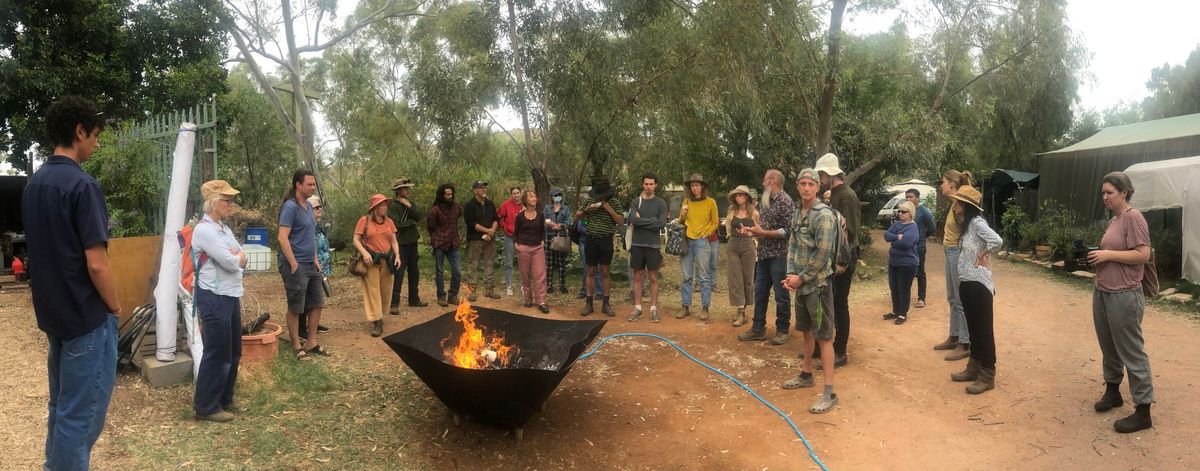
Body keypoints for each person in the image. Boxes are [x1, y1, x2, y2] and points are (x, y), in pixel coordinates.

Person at [22, 96, 119, 469]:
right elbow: (97, 264)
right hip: (86, 319)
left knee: (61, 408)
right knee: (80, 420)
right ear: (79, 132)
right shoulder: (83, 186)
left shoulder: (35, 185)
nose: (96, 143)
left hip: (54, 318)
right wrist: (114, 306)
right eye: (94, 135)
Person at [1088, 172, 1155, 433]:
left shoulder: (1133, 217)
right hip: (1104, 291)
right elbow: (1116, 253)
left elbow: (1143, 254)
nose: (1104, 197)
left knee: (1131, 350)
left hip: (1125, 295)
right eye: (1103, 193)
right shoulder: (1115, 220)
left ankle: (1143, 410)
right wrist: (1099, 258)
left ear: (1124, 192)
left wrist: (1106, 254)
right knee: (1109, 346)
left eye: (1109, 192)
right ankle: (1113, 391)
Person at [780, 168, 839, 414]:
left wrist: (800, 278)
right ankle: (806, 374)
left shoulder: (823, 215)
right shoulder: (797, 212)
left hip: (818, 285)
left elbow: (823, 254)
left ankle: (829, 392)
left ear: (817, 187)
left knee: (824, 336)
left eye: (810, 184)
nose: (806, 188)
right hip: (801, 283)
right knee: (806, 331)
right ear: (797, 186)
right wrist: (790, 275)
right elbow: (793, 244)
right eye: (802, 184)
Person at [191, 180, 248, 422]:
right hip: (214, 296)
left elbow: (240, 252)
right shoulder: (204, 230)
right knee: (217, 352)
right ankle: (206, 406)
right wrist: (237, 258)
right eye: (227, 200)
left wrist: (238, 256)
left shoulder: (222, 228)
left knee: (233, 351)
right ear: (213, 203)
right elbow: (231, 260)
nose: (231, 204)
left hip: (230, 294)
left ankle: (225, 399)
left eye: (232, 200)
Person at [947, 185, 1002, 395]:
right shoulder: (968, 226)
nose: (954, 205)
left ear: (965, 205)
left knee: (983, 330)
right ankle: (974, 366)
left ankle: (987, 374)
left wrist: (984, 254)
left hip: (979, 284)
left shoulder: (978, 223)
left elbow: (997, 241)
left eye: (957, 202)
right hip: (967, 282)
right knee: (973, 328)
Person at [738, 169, 796, 345]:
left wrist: (763, 232)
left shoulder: (786, 201)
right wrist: (752, 232)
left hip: (779, 255)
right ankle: (758, 329)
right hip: (763, 254)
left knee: (781, 294)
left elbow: (788, 231)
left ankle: (783, 329)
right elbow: (762, 226)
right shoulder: (765, 201)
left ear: (773, 181)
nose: (763, 184)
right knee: (760, 292)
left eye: (765, 181)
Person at [814, 153, 859, 368]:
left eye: (822, 173)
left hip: (843, 257)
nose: (820, 178)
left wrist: (841, 261)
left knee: (840, 304)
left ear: (831, 174)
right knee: (826, 301)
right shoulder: (834, 194)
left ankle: (840, 351)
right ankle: (820, 346)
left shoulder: (846, 196)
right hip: (832, 256)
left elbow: (849, 231)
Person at [278, 169, 327, 359]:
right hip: (295, 264)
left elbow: (309, 236)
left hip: (310, 263)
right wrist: (292, 263)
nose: (312, 187)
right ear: (298, 185)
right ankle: (296, 346)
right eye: (309, 184)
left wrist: (315, 259)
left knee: (317, 303)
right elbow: (282, 238)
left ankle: (311, 342)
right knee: (296, 306)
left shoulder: (308, 205)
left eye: (314, 184)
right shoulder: (290, 207)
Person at [933, 170, 973, 361]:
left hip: (957, 253)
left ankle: (965, 343)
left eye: (943, 182)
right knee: (952, 297)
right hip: (950, 252)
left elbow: (968, 230)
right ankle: (955, 336)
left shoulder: (960, 206)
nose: (941, 186)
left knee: (960, 298)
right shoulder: (953, 205)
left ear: (952, 184)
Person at [353, 194, 402, 337]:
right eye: (382, 205)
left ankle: (381, 315)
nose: (385, 207)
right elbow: (355, 239)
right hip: (371, 261)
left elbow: (394, 241)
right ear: (375, 207)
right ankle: (377, 321)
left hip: (387, 260)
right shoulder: (364, 220)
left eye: (386, 204)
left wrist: (397, 255)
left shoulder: (389, 222)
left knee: (385, 290)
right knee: (372, 290)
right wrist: (364, 253)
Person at [576, 175, 624, 316]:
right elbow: (577, 216)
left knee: (605, 271)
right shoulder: (589, 200)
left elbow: (621, 222)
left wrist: (609, 209)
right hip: (590, 239)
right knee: (590, 271)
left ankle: (606, 303)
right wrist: (587, 211)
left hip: (605, 240)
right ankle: (589, 303)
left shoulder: (614, 202)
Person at [625, 173, 669, 323]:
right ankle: (638, 308)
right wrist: (651, 221)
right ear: (642, 185)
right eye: (646, 184)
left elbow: (661, 223)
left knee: (653, 277)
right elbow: (631, 219)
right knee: (637, 277)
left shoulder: (661, 203)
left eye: (651, 184)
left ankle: (653, 309)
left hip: (653, 245)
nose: (649, 187)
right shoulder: (636, 201)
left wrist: (640, 220)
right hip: (637, 244)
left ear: (656, 185)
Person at [676, 173, 719, 321]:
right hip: (687, 240)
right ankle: (685, 306)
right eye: (692, 186)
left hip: (702, 242)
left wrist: (706, 233)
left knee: (703, 277)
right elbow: (680, 221)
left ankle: (705, 307)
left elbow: (715, 223)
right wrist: (682, 214)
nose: (694, 188)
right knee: (687, 276)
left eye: (697, 185)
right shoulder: (686, 201)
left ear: (702, 187)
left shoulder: (711, 202)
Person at [388, 176, 428, 314]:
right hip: (400, 245)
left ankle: (414, 300)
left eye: (408, 187)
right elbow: (396, 225)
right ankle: (394, 304)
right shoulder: (392, 206)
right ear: (398, 190)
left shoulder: (411, 203)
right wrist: (411, 223)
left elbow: (418, 216)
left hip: (412, 242)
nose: (407, 190)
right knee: (398, 274)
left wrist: (409, 206)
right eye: (405, 188)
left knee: (414, 273)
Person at [724, 185, 758, 327]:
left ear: (747, 197)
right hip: (733, 245)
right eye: (736, 195)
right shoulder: (732, 211)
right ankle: (740, 311)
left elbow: (759, 230)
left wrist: (752, 235)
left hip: (748, 245)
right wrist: (730, 236)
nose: (738, 197)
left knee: (747, 279)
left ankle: (743, 310)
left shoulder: (754, 213)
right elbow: (728, 228)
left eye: (741, 195)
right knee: (735, 278)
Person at [882, 201, 920, 325]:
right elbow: (886, 235)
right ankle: (895, 311)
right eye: (899, 211)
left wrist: (894, 240)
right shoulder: (897, 224)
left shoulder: (913, 227)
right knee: (894, 287)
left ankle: (903, 314)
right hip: (894, 262)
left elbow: (906, 244)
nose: (900, 214)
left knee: (903, 289)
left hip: (907, 263)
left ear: (910, 214)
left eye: (904, 211)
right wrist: (898, 237)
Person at [299, 196, 331, 339]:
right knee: (305, 298)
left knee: (315, 298)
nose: (319, 209)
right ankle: (301, 328)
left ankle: (313, 323)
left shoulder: (317, 225)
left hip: (319, 266)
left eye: (320, 207)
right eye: (315, 207)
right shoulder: (306, 226)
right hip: (308, 265)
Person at [463, 181, 501, 301]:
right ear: (475, 190)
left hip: (490, 239)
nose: (483, 190)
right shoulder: (469, 205)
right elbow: (471, 223)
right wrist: (487, 231)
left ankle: (489, 290)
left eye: (484, 188)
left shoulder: (490, 203)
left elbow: (495, 219)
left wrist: (492, 231)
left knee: (489, 264)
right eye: (481, 188)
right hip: (475, 239)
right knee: (473, 265)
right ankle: (472, 292)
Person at [513, 190, 550, 313]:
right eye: (531, 196)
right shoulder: (520, 216)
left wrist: (542, 241)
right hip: (523, 248)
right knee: (525, 276)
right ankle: (528, 300)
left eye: (535, 196)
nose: (535, 198)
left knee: (540, 274)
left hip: (537, 248)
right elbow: (515, 233)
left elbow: (542, 231)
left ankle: (541, 302)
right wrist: (516, 245)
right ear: (526, 200)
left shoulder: (540, 215)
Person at [428, 183, 463, 307]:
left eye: (451, 194)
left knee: (457, 271)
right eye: (447, 194)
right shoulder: (435, 210)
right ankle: (441, 296)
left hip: (453, 242)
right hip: (439, 243)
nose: (450, 196)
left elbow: (457, 218)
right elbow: (431, 227)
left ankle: (453, 295)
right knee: (439, 271)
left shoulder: (457, 207)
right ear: (441, 195)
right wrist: (435, 241)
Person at [907, 189, 935, 308]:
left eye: (911, 197)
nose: (909, 199)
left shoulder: (924, 212)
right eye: (907, 197)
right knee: (905, 272)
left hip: (919, 248)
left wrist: (922, 237)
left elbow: (932, 228)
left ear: (918, 198)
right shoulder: (905, 211)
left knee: (920, 272)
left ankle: (921, 298)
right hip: (906, 247)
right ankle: (904, 297)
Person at [544, 187, 572, 294]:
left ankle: (562, 285)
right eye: (555, 195)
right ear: (551, 197)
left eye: (559, 195)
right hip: (549, 237)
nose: (557, 197)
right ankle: (549, 285)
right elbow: (544, 221)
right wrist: (551, 225)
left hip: (561, 237)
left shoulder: (566, 208)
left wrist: (559, 225)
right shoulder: (547, 208)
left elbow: (569, 221)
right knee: (549, 263)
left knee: (561, 263)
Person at [497, 186, 523, 297]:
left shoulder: (524, 205)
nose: (516, 195)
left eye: (518, 193)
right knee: (509, 262)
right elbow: (498, 217)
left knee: (523, 262)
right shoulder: (506, 204)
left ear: (520, 193)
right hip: (510, 237)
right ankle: (509, 286)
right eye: (514, 193)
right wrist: (505, 227)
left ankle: (524, 286)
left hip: (522, 237)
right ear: (511, 194)